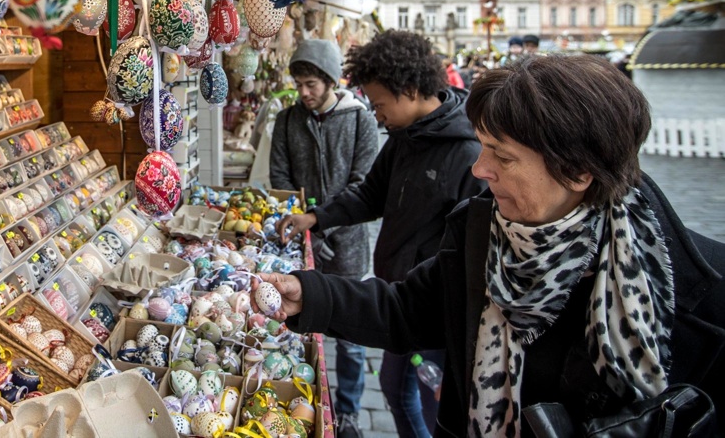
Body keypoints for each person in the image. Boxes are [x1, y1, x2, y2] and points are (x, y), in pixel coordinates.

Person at [262, 55, 725, 437]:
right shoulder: (480, 231)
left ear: (579, 172)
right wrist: (312, 295)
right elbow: (408, 310)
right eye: (483, 147)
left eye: (501, 155)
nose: (480, 169)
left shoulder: (700, 295)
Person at [279, 31, 485, 438]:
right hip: (401, 300)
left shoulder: (467, 154)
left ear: (408, 90)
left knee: (436, 408)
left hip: (438, 314)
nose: (375, 115)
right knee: (394, 388)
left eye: (379, 104)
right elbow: (371, 194)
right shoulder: (404, 139)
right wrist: (316, 218)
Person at [270, 38, 379, 438]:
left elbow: (363, 185)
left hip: (348, 244)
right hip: (301, 242)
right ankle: (299, 393)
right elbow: (279, 179)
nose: (304, 93)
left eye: (312, 84)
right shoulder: (287, 120)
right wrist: (301, 221)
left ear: (331, 80)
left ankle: (348, 410)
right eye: (299, 84)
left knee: (352, 329)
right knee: (301, 320)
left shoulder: (359, 120)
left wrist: (325, 223)